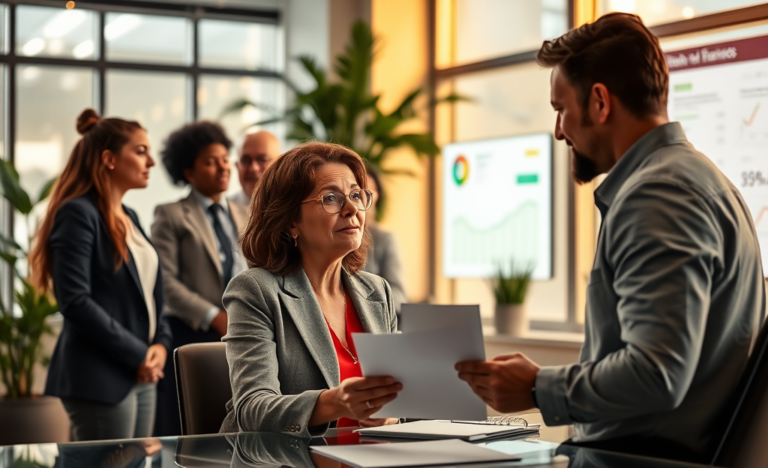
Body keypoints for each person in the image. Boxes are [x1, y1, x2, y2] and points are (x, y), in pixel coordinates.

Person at [455, 13, 765, 463]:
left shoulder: (659, 194)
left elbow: (658, 372)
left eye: (561, 109)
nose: (559, 130)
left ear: (599, 102)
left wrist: (537, 387)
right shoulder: (703, 180)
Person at [219, 142, 402, 436]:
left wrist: (391, 417)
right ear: (290, 221)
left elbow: (401, 400)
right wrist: (335, 402)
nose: (352, 208)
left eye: (356, 195)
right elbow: (252, 409)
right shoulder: (255, 290)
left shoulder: (376, 291)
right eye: (331, 198)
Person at [30, 108, 172, 441]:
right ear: (109, 159)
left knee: (135, 465)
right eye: (140, 152)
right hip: (99, 376)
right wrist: (139, 353)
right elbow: (75, 301)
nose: (150, 162)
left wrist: (160, 347)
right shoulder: (77, 213)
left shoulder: (131, 216)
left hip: (143, 373)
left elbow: (152, 296)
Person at [151, 121, 249, 436]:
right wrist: (214, 317)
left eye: (224, 159)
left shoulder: (244, 214)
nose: (222, 167)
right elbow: (165, 282)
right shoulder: (171, 214)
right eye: (210, 161)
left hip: (241, 334)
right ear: (189, 172)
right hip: (190, 333)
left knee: (233, 422)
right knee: (189, 425)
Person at [361, 167, 407, 313]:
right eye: (357, 193)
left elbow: (399, 295)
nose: (362, 199)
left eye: (369, 192)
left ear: (377, 197)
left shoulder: (384, 239)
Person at [228, 130, 281, 208]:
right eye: (246, 160)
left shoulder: (296, 207)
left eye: (262, 160)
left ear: (280, 164)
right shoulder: (223, 211)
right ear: (237, 166)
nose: (253, 168)